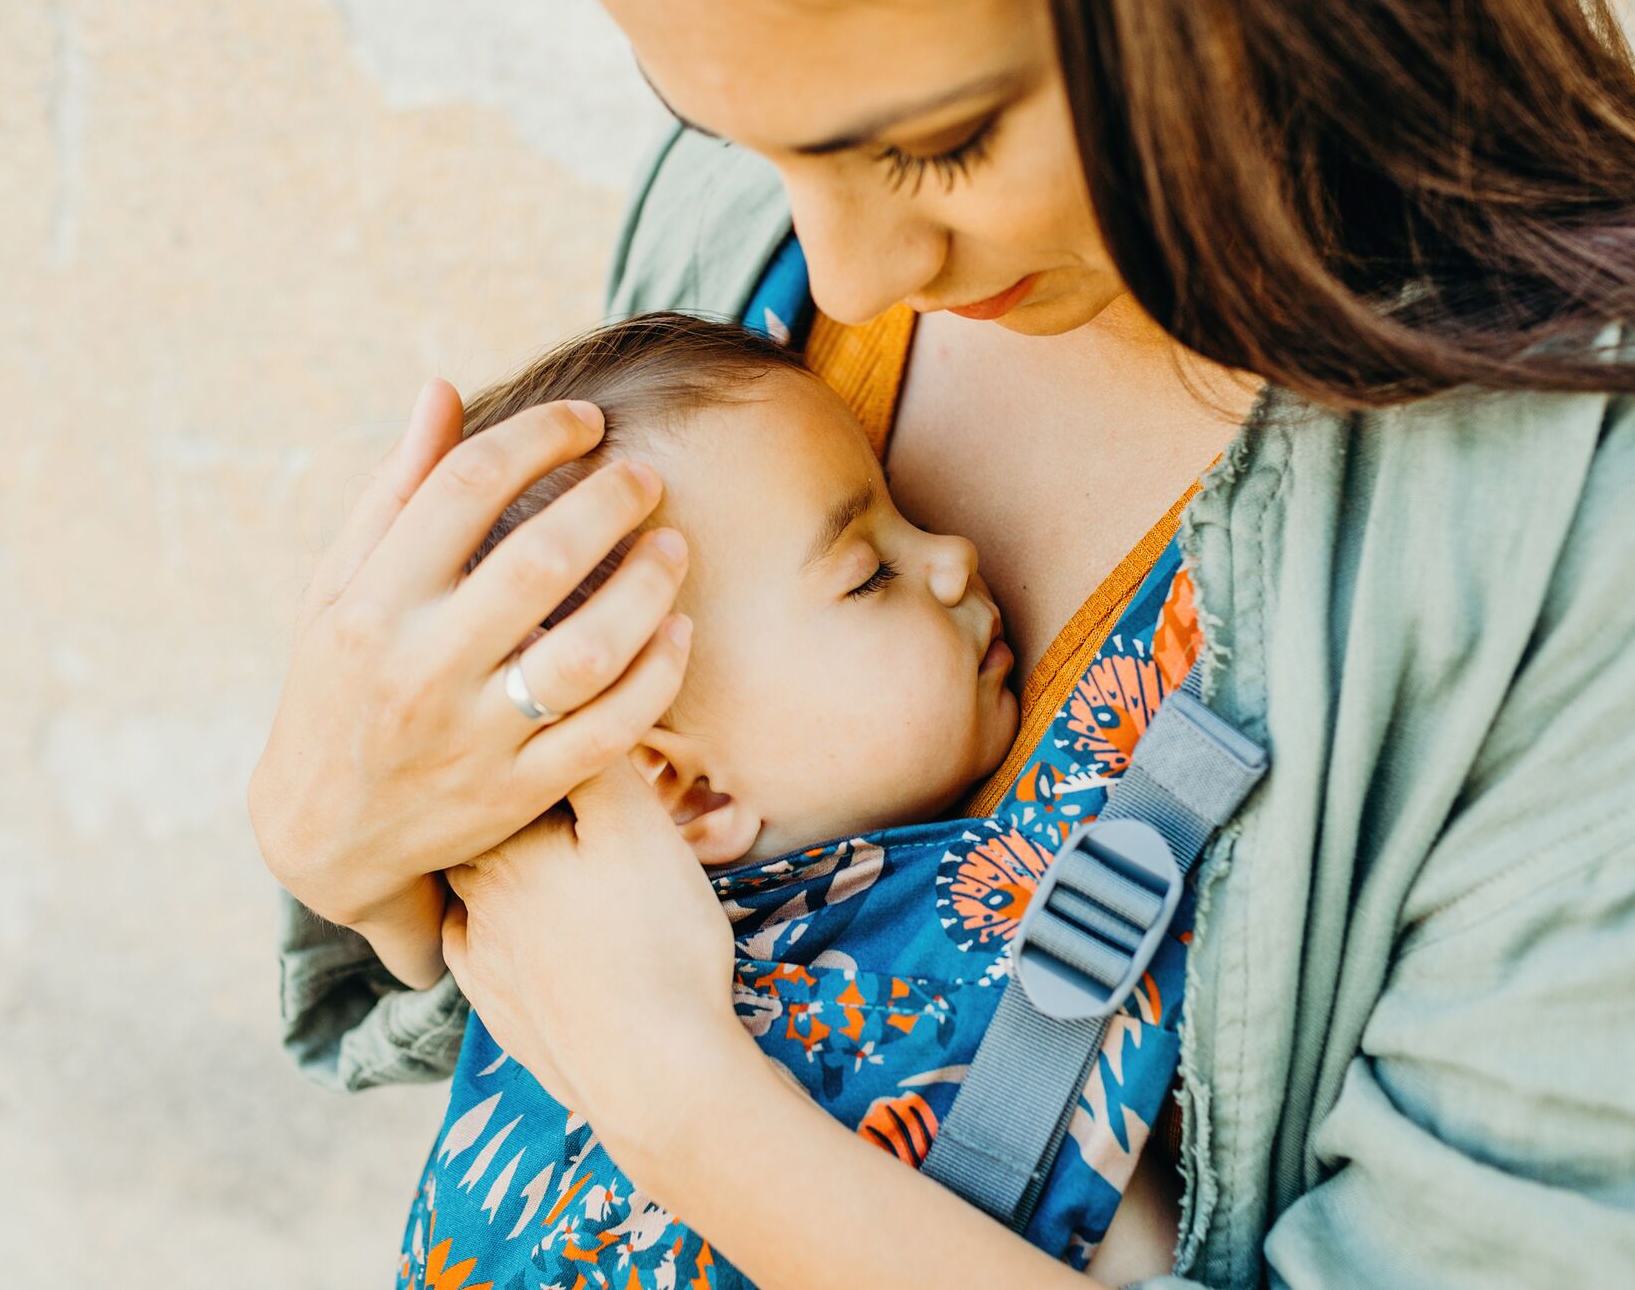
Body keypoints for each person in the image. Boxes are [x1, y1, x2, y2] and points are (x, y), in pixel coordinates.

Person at [252, 0, 1635, 1285]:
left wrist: (685, 1106)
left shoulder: (1633, 492)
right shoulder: (746, 250)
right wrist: (344, 841)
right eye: (726, 121)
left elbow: (623, 1044)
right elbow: (549, 989)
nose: (841, 276)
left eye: (936, 144)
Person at [392, 312, 1201, 1288]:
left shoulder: (1041, 964)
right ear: (684, 788)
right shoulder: (544, 951)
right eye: (866, 575)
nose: (951, 555)